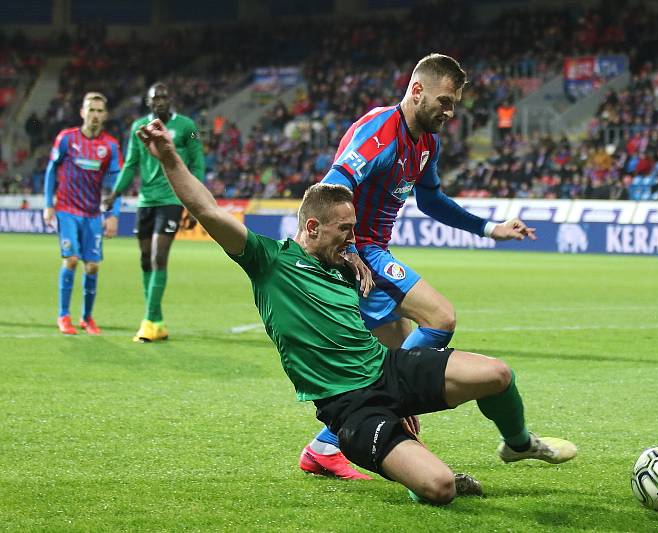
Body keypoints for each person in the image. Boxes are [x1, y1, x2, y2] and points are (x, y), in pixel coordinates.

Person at [136, 117, 577, 504]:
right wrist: (170, 156)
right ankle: (365, 457)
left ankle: (517, 444)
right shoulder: (268, 260)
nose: (352, 239)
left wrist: (405, 390)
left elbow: (392, 331)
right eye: (345, 230)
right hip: (350, 409)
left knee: (497, 374)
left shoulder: (348, 267)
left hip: (389, 371)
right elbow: (205, 207)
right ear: (312, 226)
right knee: (440, 487)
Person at [305, 53, 537, 478]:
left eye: (454, 104)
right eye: (444, 102)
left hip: (373, 250)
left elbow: (431, 201)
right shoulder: (379, 132)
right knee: (440, 317)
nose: (449, 112)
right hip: (363, 251)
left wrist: (490, 229)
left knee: (395, 351)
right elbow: (334, 185)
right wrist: (350, 249)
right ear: (416, 91)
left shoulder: (427, 143)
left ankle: (325, 447)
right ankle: (356, 432)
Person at [104, 82, 205, 342]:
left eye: (164, 96)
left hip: (172, 198)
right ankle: (157, 321)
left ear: (171, 99)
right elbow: (130, 164)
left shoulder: (188, 128)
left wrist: (196, 203)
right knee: (145, 258)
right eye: (155, 97)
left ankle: (148, 321)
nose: (160, 100)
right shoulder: (138, 127)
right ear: (148, 102)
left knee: (159, 257)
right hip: (145, 201)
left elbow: (198, 164)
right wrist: (115, 193)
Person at [43, 91, 122, 335]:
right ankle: (63, 316)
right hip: (67, 209)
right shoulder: (66, 138)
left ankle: (87, 318)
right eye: (91, 110)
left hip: (92, 214)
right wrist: (49, 204)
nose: (95, 115)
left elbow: (117, 181)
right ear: (82, 112)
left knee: (92, 267)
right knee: (72, 259)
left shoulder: (110, 146)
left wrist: (113, 214)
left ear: (105, 115)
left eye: (99, 111)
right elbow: (50, 170)